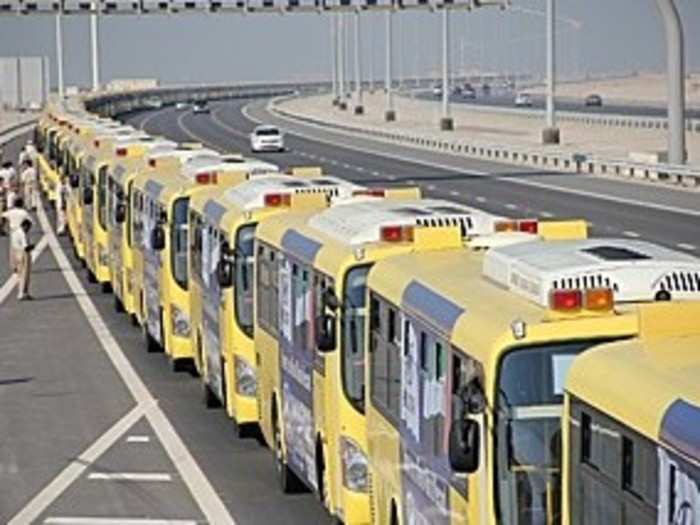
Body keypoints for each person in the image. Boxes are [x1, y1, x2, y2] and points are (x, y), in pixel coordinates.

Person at [1, 197, 32, 267]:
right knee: (22, 247)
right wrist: (26, 230)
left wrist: (2, 226)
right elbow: (30, 222)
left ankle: (15, 265)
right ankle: (21, 261)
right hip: (21, 230)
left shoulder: (11, 212)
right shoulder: (24, 212)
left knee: (14, 248)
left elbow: (3, 216)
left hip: (13, 231)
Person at [13, 218, 34, 301]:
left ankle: (22, 292)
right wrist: (32, 246)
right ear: (25, 226)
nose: (28, 230)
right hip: (23, 254)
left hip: (16, 252)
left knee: (19, 273)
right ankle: (22, 293)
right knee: (24, 274)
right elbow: (26, 247)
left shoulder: (15, 232)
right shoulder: (22, 234)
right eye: (28, 228)